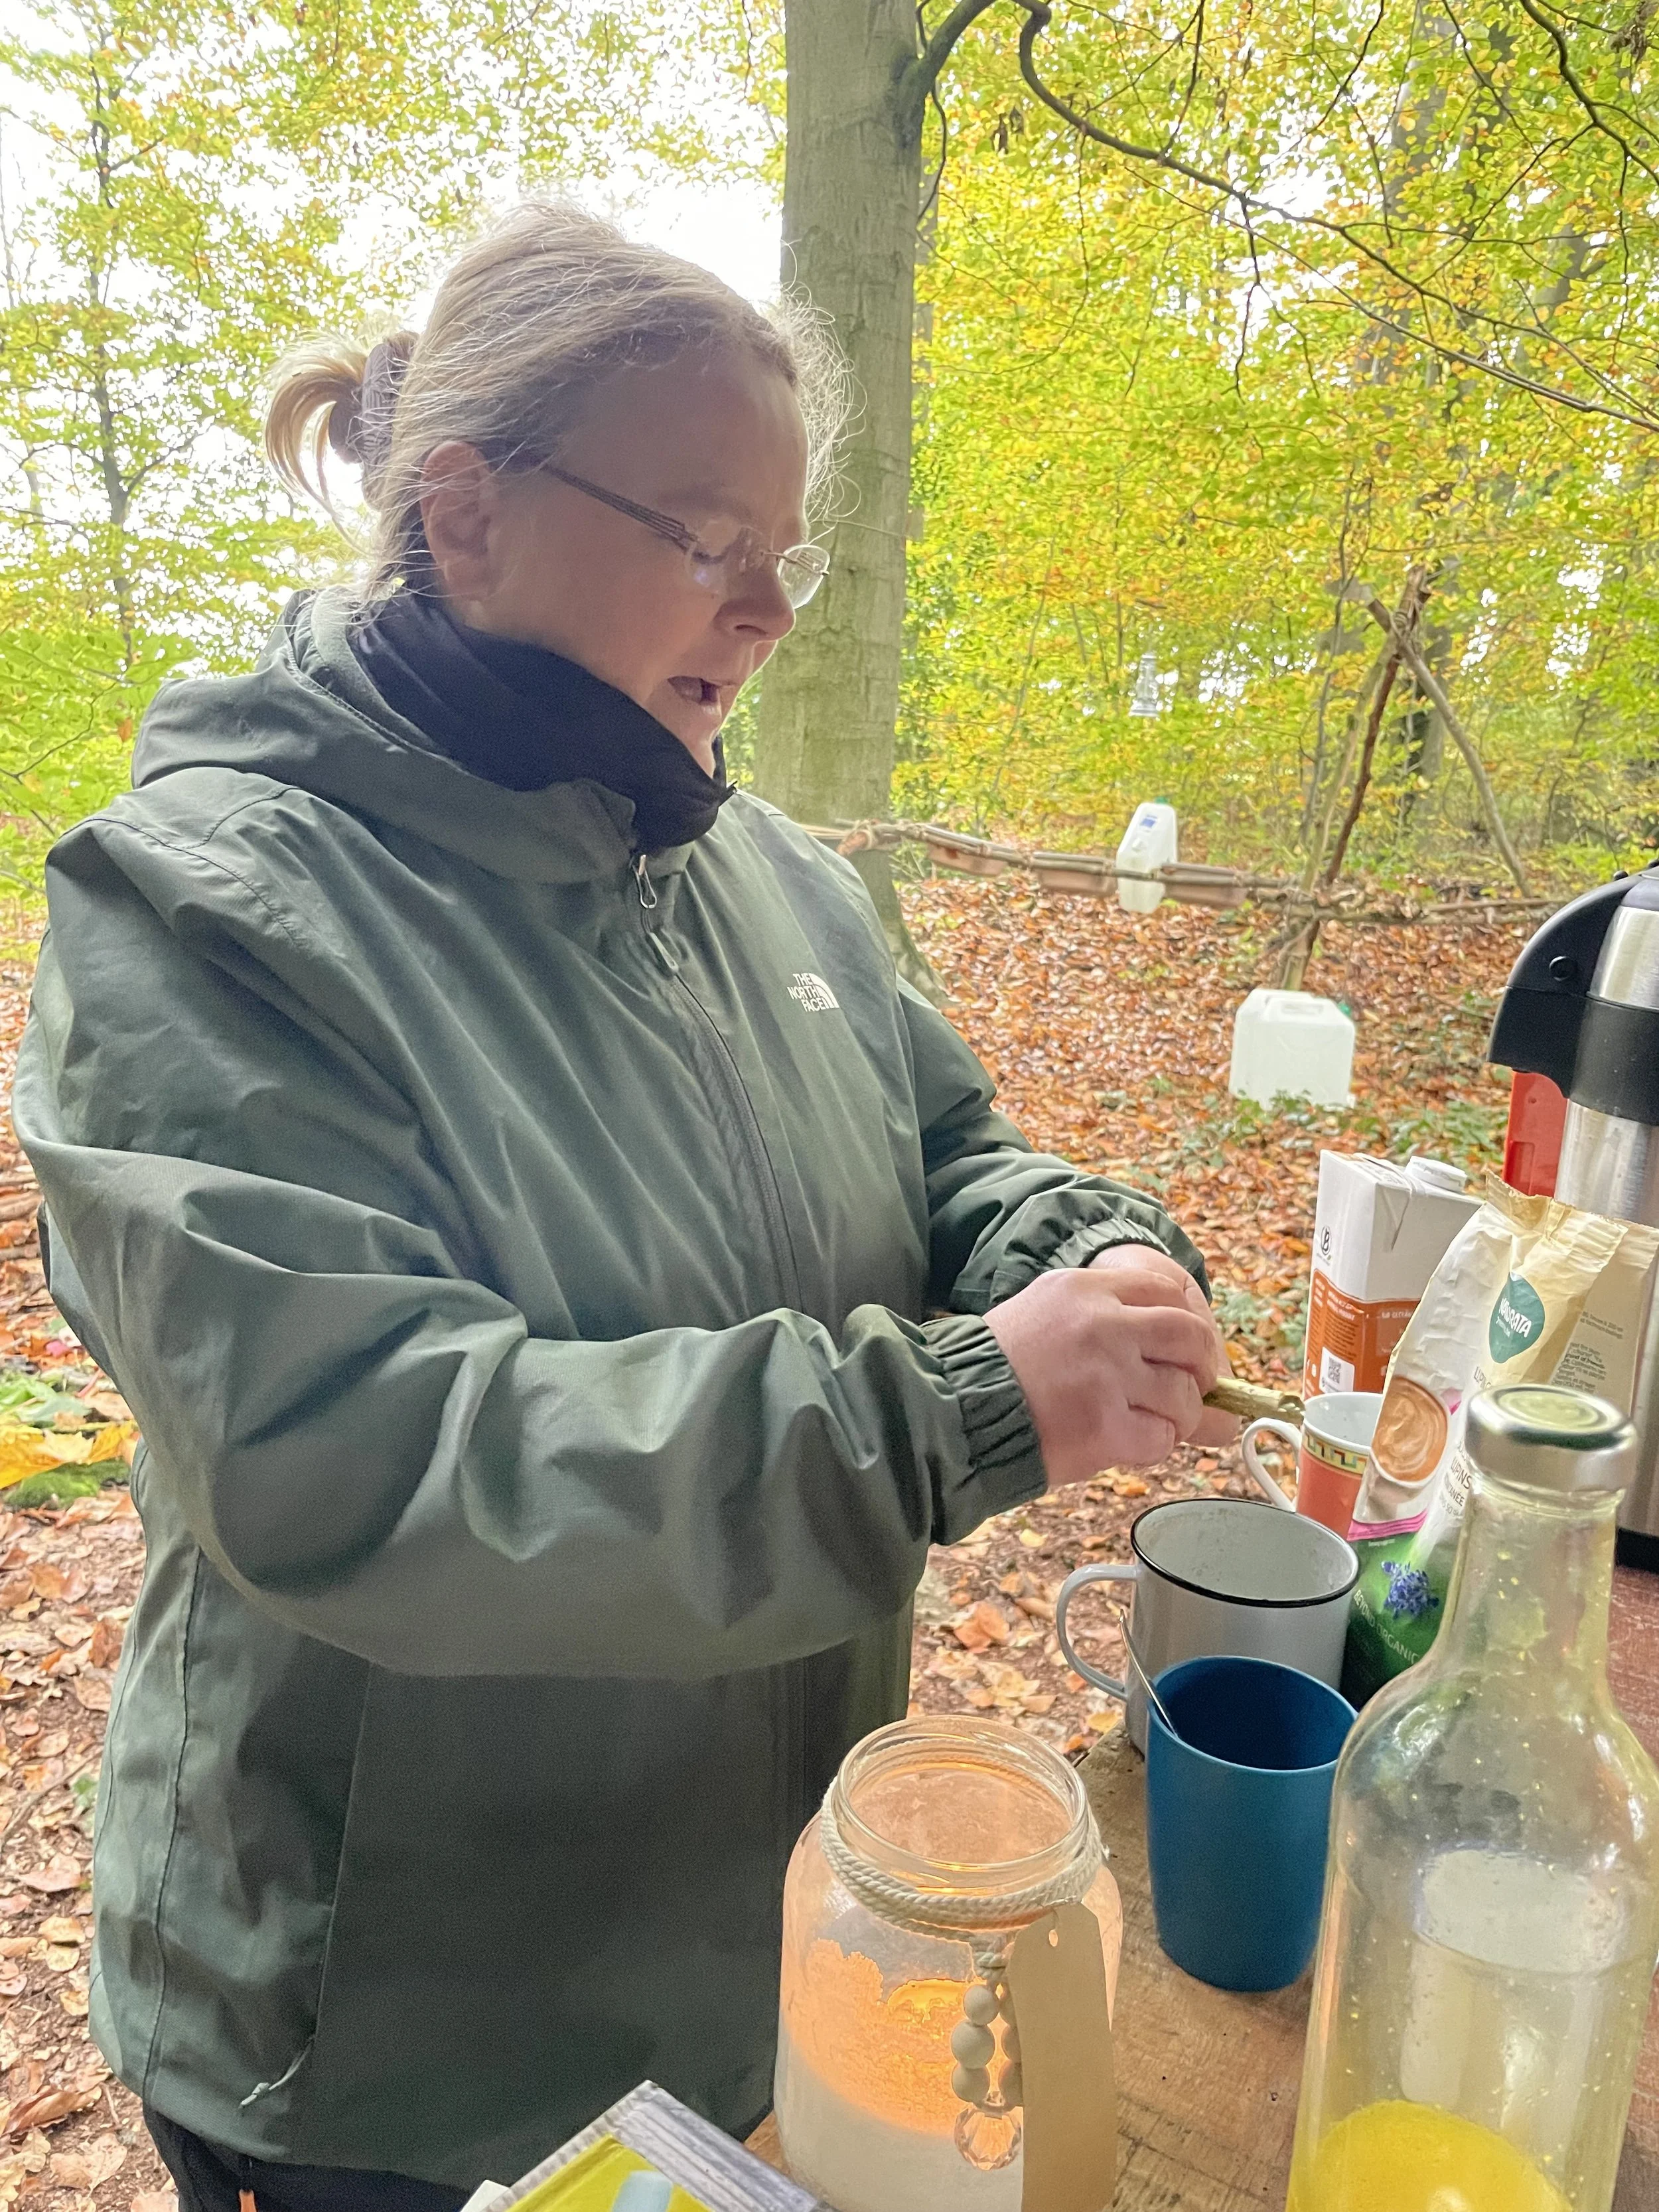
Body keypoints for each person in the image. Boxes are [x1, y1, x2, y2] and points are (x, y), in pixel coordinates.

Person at [14, 200, 1234, 2211]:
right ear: (466, 511)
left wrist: (1072, 1250)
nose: (764, 612)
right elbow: (369, 1458)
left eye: (784, 555)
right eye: (701, 539)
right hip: (388, 2045)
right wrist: (954, 1410)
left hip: (733, 1956)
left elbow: (947, 1152)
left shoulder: (772, 877)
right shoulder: (211, 909)